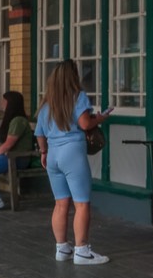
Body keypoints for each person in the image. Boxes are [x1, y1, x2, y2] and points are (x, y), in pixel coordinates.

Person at [34, 59, 112, 265]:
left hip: (53, 155)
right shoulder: (78, 97)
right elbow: (85, 123)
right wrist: (100, 119)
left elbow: (39, 134)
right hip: (72, 153)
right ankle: (82, 251)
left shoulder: (46, 104)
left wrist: (43, 152)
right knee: (82, 204)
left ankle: (62, 248)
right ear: (73, 76)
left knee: (60, 204)